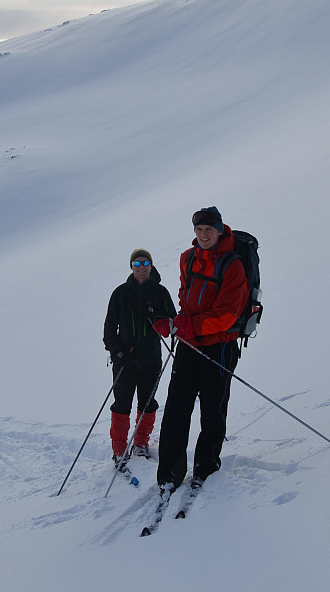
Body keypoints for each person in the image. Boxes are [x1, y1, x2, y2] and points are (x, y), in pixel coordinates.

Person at [153, 206, 248, 491]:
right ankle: (169, 473)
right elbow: (185, 298)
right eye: (199, 230)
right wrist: (174, 324)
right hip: (189, 345)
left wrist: (186, 326)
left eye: (209, 230)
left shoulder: (232, 265)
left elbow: (227, 314)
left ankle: (206, 467)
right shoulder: (187, 259)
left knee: (213, 411)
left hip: (219, 347)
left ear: (220, 230)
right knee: (175, 411)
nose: (204, 235)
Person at [103, 248, 177, 469]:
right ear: (131, 267)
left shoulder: (161, 293)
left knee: (147, 402)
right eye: (137, 263)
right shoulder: (120, 293)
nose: (142, 267)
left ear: (151, 266)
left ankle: (141, 442)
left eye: (145, 263)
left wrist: (161, 320)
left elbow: (173, 324)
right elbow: (109, 327)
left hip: (151, 358)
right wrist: (117, 352)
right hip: (124, 360)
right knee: (122, 404)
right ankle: (119, 447)